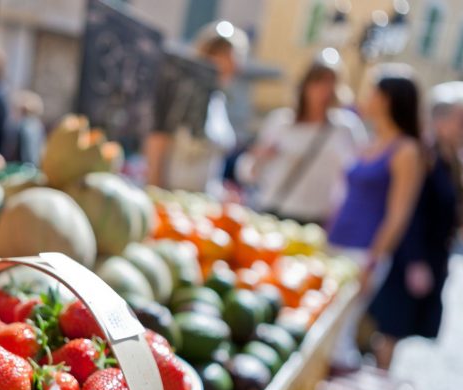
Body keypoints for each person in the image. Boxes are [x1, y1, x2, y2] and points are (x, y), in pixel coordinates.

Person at [327, 66, 425, 370]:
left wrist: (373, 259)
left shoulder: (406, 150)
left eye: (372, 92)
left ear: (386, 99)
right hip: (335, 242)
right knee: (323, 325)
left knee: (340, 333)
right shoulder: (369, 142)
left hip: (363, 250)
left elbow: (399, 214)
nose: (366, 98)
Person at [369, 100, 463, 368]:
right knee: (390, 326)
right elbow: (412, 211)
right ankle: (376, 381)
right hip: (412, 256)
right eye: (461, 121)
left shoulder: (455, 160)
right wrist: (415, 260)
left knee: (400, 327)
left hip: (434, 255)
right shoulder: (426, 157)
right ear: (441, 120)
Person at [236, 56, 367, 225]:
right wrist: (259, 157)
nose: (325, 90)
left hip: (319, 220)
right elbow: (247, 172)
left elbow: (357, 177)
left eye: (331, 83)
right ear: (305, 85)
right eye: (319, 82)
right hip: (273, 212)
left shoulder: (346, 128)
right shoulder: (281, 121)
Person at [145, 21, 247, 195]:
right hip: (172, 197)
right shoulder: (180, 91)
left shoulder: (218, 100)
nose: (231, 63)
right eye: (223, 55)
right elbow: (158, 139)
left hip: (202, 201)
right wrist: (155, 191)